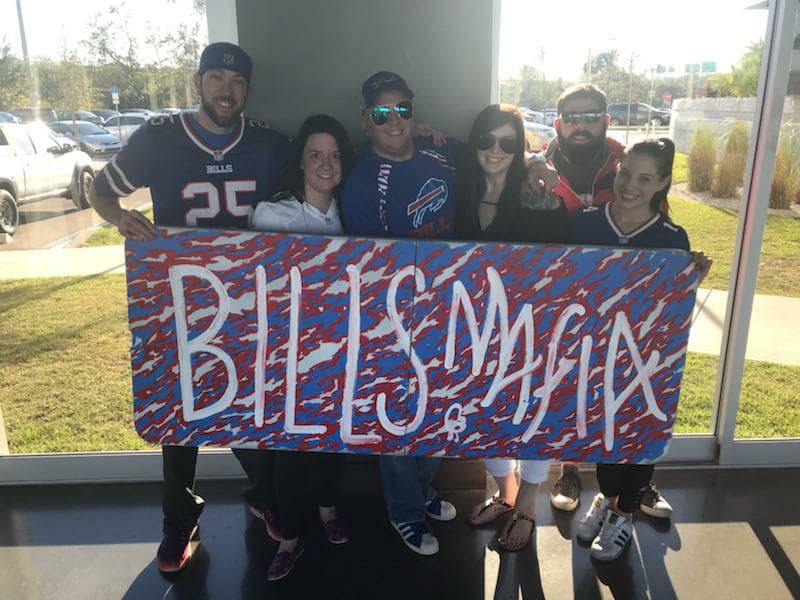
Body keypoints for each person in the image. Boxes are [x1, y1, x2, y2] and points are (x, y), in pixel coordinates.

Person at [89, 42, 293, 573]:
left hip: (251, 303)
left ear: (247, 90)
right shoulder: (160, 138)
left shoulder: (269, 145)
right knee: (179, 418)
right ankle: (179, 521)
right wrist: (119, 218)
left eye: (237, 82)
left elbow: (317, 181)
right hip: (179, 301)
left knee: (255, 406)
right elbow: (101, 189)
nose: (227, 91)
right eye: (217, 79)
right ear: (199, 82)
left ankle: (264, 498)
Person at [529, 84, 673, 518]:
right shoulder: (539, 163)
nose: (581, 123)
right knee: (571, 381)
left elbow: (654, 206)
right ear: (558, 122)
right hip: (570, 292)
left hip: (626, 296)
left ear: (606, 119)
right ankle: (569, 469)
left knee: (627, 382)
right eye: (572, 116)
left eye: (591, 115)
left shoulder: (626, 161)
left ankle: (634, 489)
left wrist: (682, 265)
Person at [571, 138, 711, 561]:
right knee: (602, 436)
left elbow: (671, 302)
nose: (630, 185)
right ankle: (609, 498)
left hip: (643, 359)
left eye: (645, 178)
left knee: (639, 433)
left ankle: (622, 514)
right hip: (593, 354)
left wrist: (692, 277)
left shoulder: (671, 236)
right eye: (625, 173)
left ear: (663, 183)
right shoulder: (587, 222)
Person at [340, 70, 459, 556]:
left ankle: (421, 490)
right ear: (366, 121)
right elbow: (370, 264)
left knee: (438, 407)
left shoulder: (440, 155)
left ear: (415, 111)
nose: (394, 120)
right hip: (392, 318)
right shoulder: (364, 181)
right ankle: (404, 511)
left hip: (449, 307)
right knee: (397, 418)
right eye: (382, 113)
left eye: (402, 109)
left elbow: (492, 153)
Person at [454, 104, 569, 551]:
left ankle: (529, 503)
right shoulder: (458, 187)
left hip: (530, 327)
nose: (495, 150)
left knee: (532, 409)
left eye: (508, 142)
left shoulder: (536, 193)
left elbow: (563, 259)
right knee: (486, 408)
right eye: (487, 140)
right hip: (472, 326)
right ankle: (505, 495)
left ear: (521, 147)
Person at [250, 114, 355, 580]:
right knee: (290, 449)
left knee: (334, 440)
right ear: (300, 160)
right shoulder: (274, 214)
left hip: (337, 350)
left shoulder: (349, 211)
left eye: (334, 155)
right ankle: (290, 537)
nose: (325, 164)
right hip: (284, 355)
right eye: (315, 154)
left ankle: (329, 513)